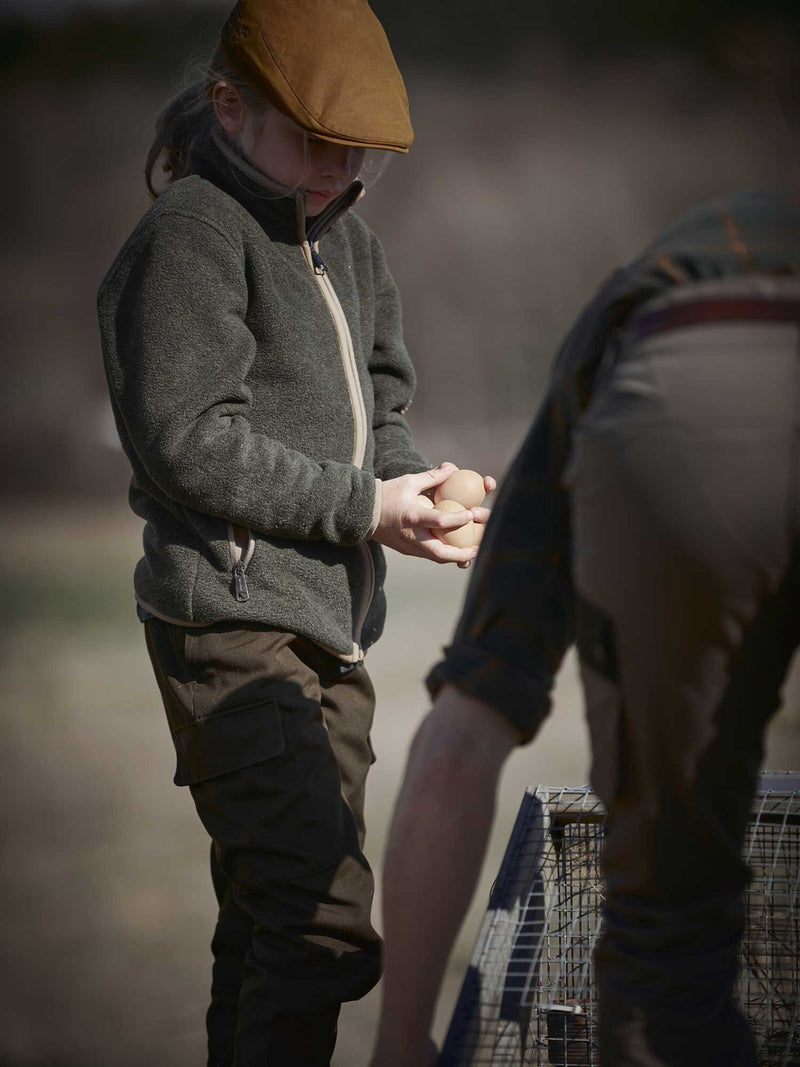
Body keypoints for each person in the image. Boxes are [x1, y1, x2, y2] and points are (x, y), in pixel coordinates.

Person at [97, 2, 493, 1064]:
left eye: (354, 145)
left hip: (334, 629)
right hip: (229, 625)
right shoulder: (190, 232)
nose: (336, 163)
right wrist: (367, 506)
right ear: (229, 106)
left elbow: (384, 415)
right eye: (312, 137)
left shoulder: (351, 242)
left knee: (269, 925)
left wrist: (421, 488)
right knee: (317, 926)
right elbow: (188, 441)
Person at [368, 189, 800, 1067]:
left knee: (665, 953)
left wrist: (400, 1045)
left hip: (672, 393)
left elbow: (464, 731)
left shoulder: (611, 337)